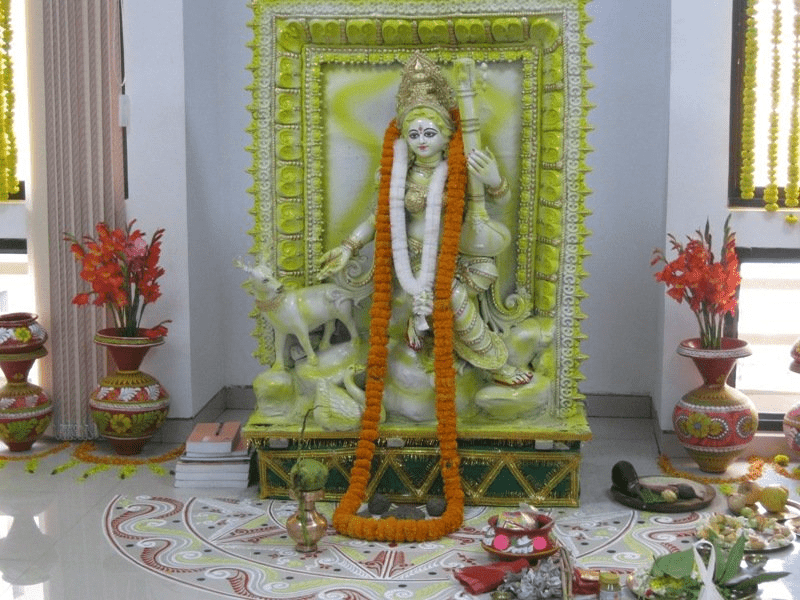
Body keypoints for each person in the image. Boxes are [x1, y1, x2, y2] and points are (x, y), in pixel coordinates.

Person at [318, 53, 532, 387]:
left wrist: (492, 179)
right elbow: (378, 218)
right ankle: (493, 364)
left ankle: (477, 355)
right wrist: (348, 247)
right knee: (451, 299)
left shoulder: (458, 171)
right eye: (414, 134)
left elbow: (500, 202)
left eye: (430, 133)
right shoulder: (397, 176)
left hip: (454, 259)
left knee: (461, 290)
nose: (421, 141)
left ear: (446, 136)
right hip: (411, 263)